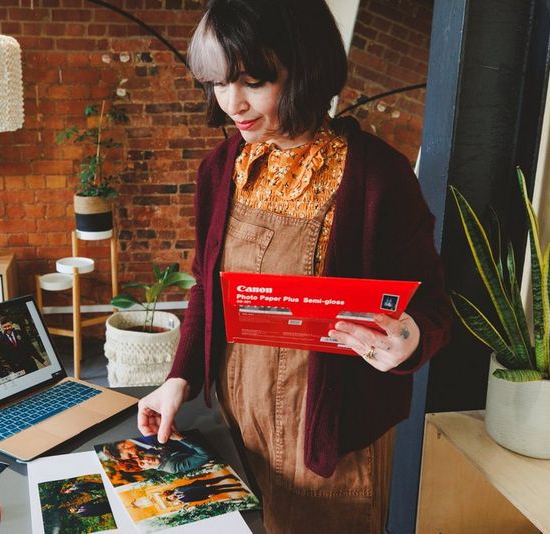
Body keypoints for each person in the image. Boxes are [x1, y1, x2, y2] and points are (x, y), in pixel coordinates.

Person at [136, 1, 452, 532]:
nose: (232, 103)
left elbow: (436, 307)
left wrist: (410, 339)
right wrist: (179, 379)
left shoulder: (379, 179)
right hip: (236, 425)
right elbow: (205, 292)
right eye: (217, 83)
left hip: (326, 445)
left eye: (253, 82)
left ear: (304, 69)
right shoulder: (221, 168)